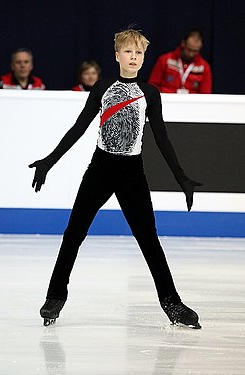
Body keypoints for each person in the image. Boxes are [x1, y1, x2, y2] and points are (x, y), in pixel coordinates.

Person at [29, 28, 202, 328]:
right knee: (74, 234)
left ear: (144, 58)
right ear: (117, 55)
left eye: (139, 53)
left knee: (149, 239)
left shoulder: (150, 93)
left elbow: (162, 138)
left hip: (132, 173)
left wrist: (181, 177)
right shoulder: (102, 87)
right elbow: (78, 128)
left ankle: (172, 303)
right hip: (100, 169)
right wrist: (49, 161)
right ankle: (55, 296)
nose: (134, 57)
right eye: (129, 52)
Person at [148, 29, 212, 94]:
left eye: (195, 51)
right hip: (166, 101)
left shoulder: (204, 67)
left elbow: (205, 94)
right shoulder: (165, 60)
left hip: (191, 103)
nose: (191, 54)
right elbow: (153, 85)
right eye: (189, 49)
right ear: (183, 43)